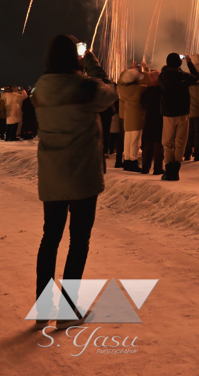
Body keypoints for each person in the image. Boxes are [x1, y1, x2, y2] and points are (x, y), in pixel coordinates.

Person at [31, 35, 117, 320]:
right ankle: (68, 310)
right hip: (83, 175)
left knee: (50, 238)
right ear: (74, 57)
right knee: (78, 241)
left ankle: (43, 308)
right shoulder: (85, 87)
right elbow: (110, 91)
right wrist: (90, 60)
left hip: (52, 173)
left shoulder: (40, 89)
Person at [158, 52, 199, 181]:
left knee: (167, 143)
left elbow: (163, 74)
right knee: (180, 142)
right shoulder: (184, 76)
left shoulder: (163, 76)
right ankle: (176, 170)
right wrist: (189, 63)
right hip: (183, 113)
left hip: (168, 114)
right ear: (180, 63)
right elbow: (197, 77)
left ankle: (168, 170)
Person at [117, 62, 146, 172]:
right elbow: (146, 81)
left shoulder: (122, 88)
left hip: (127, 116)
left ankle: (127, 160)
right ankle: (133, 161)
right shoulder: (139, 88)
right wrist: (145, 70)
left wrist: (130, 70)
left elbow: (122, 79)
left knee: (128, 139)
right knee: (135, 140)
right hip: (137, 116)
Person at [140, 70, 164, 175]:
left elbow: (142, 104)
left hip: (149, 118)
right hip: (159, 118)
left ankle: (145, 167)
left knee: (148, 143)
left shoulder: (146, 91)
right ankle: (158, 168)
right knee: (159, 144)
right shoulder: (162, 90)